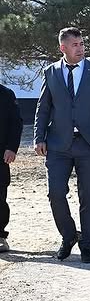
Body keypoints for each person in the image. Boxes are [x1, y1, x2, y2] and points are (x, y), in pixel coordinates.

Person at [34, 27, 90, 263]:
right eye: (75, 45)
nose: (80, 48)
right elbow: (44, 107)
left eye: (82, 44)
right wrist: (39, 137)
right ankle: (69, 235)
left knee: (89, 196)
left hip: (89, 144)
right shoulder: (51, 72)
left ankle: (87, 243)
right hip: (58, 145)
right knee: (55, 193)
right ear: (63, 48)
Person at [0, 84, 23, 253]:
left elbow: (16, 123)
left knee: (0, 197)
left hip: (1, 155)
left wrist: (11, 148)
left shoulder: (6, 94)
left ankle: (0, 236)